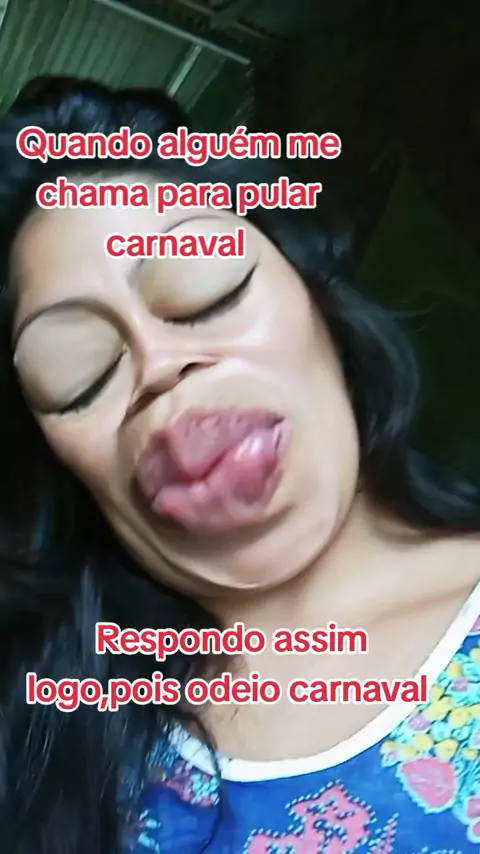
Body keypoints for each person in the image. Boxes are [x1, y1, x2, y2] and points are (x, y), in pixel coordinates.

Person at [0, 76, 479, 854]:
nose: (161, 366)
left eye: (206, 289)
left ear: (316, 297)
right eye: (78, 373)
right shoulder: (54, 742)